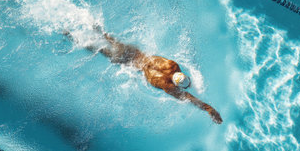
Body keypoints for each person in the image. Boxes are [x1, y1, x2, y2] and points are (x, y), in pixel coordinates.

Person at [65, 28, 223, 124]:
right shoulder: (167, 86)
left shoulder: (173, 65)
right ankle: (70, 35)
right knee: (98, 49)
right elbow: (189, 98)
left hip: (132, 51)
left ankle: (93, 25)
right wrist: (209, 109)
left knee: (110, 39)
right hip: (127, 61)